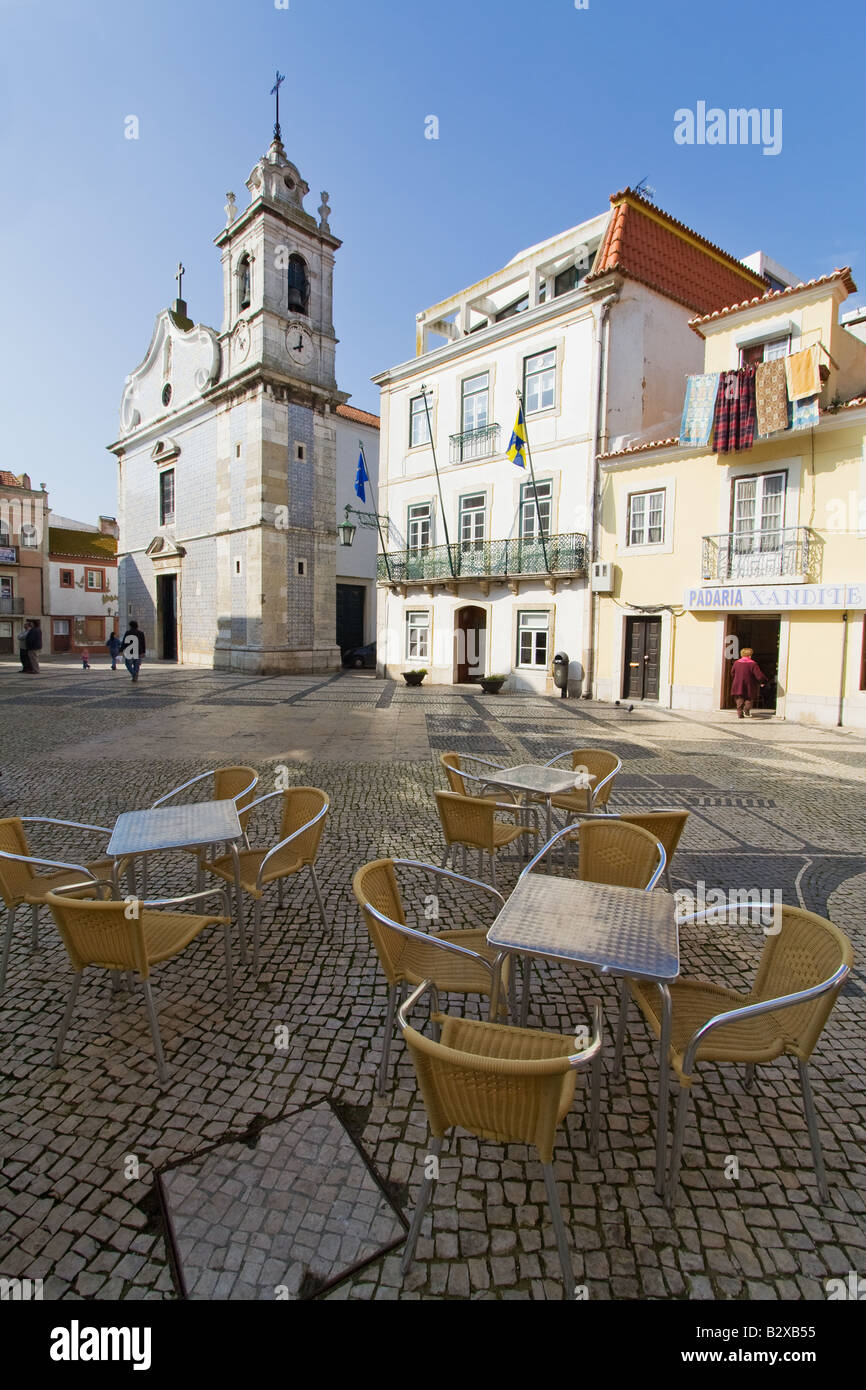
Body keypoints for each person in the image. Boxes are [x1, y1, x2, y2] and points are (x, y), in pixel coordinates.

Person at [730, 646, 766, 719]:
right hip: (749, 684)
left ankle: (740, 713)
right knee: (749, 698)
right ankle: (746, 709)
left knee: (739, 698)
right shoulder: (753, 664)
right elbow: (758, 675)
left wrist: (737, 679)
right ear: (750, 655)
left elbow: (732, 673)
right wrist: (762, 681)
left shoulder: (736, 663)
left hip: (738, 684)